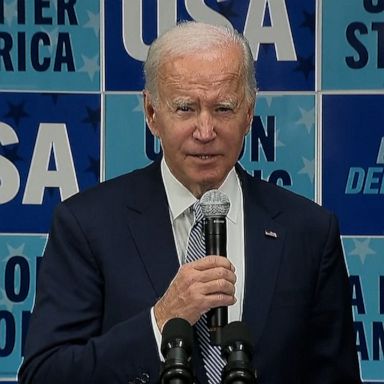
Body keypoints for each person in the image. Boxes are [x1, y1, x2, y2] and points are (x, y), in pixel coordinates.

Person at [19, 21, 361, 384]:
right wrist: (161, 319)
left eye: (223, 109)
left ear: (248, 113)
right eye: (185, 109)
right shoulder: (87, 225)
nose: (205, 131)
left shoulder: (308, 230)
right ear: (152, 113)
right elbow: (45, 375)